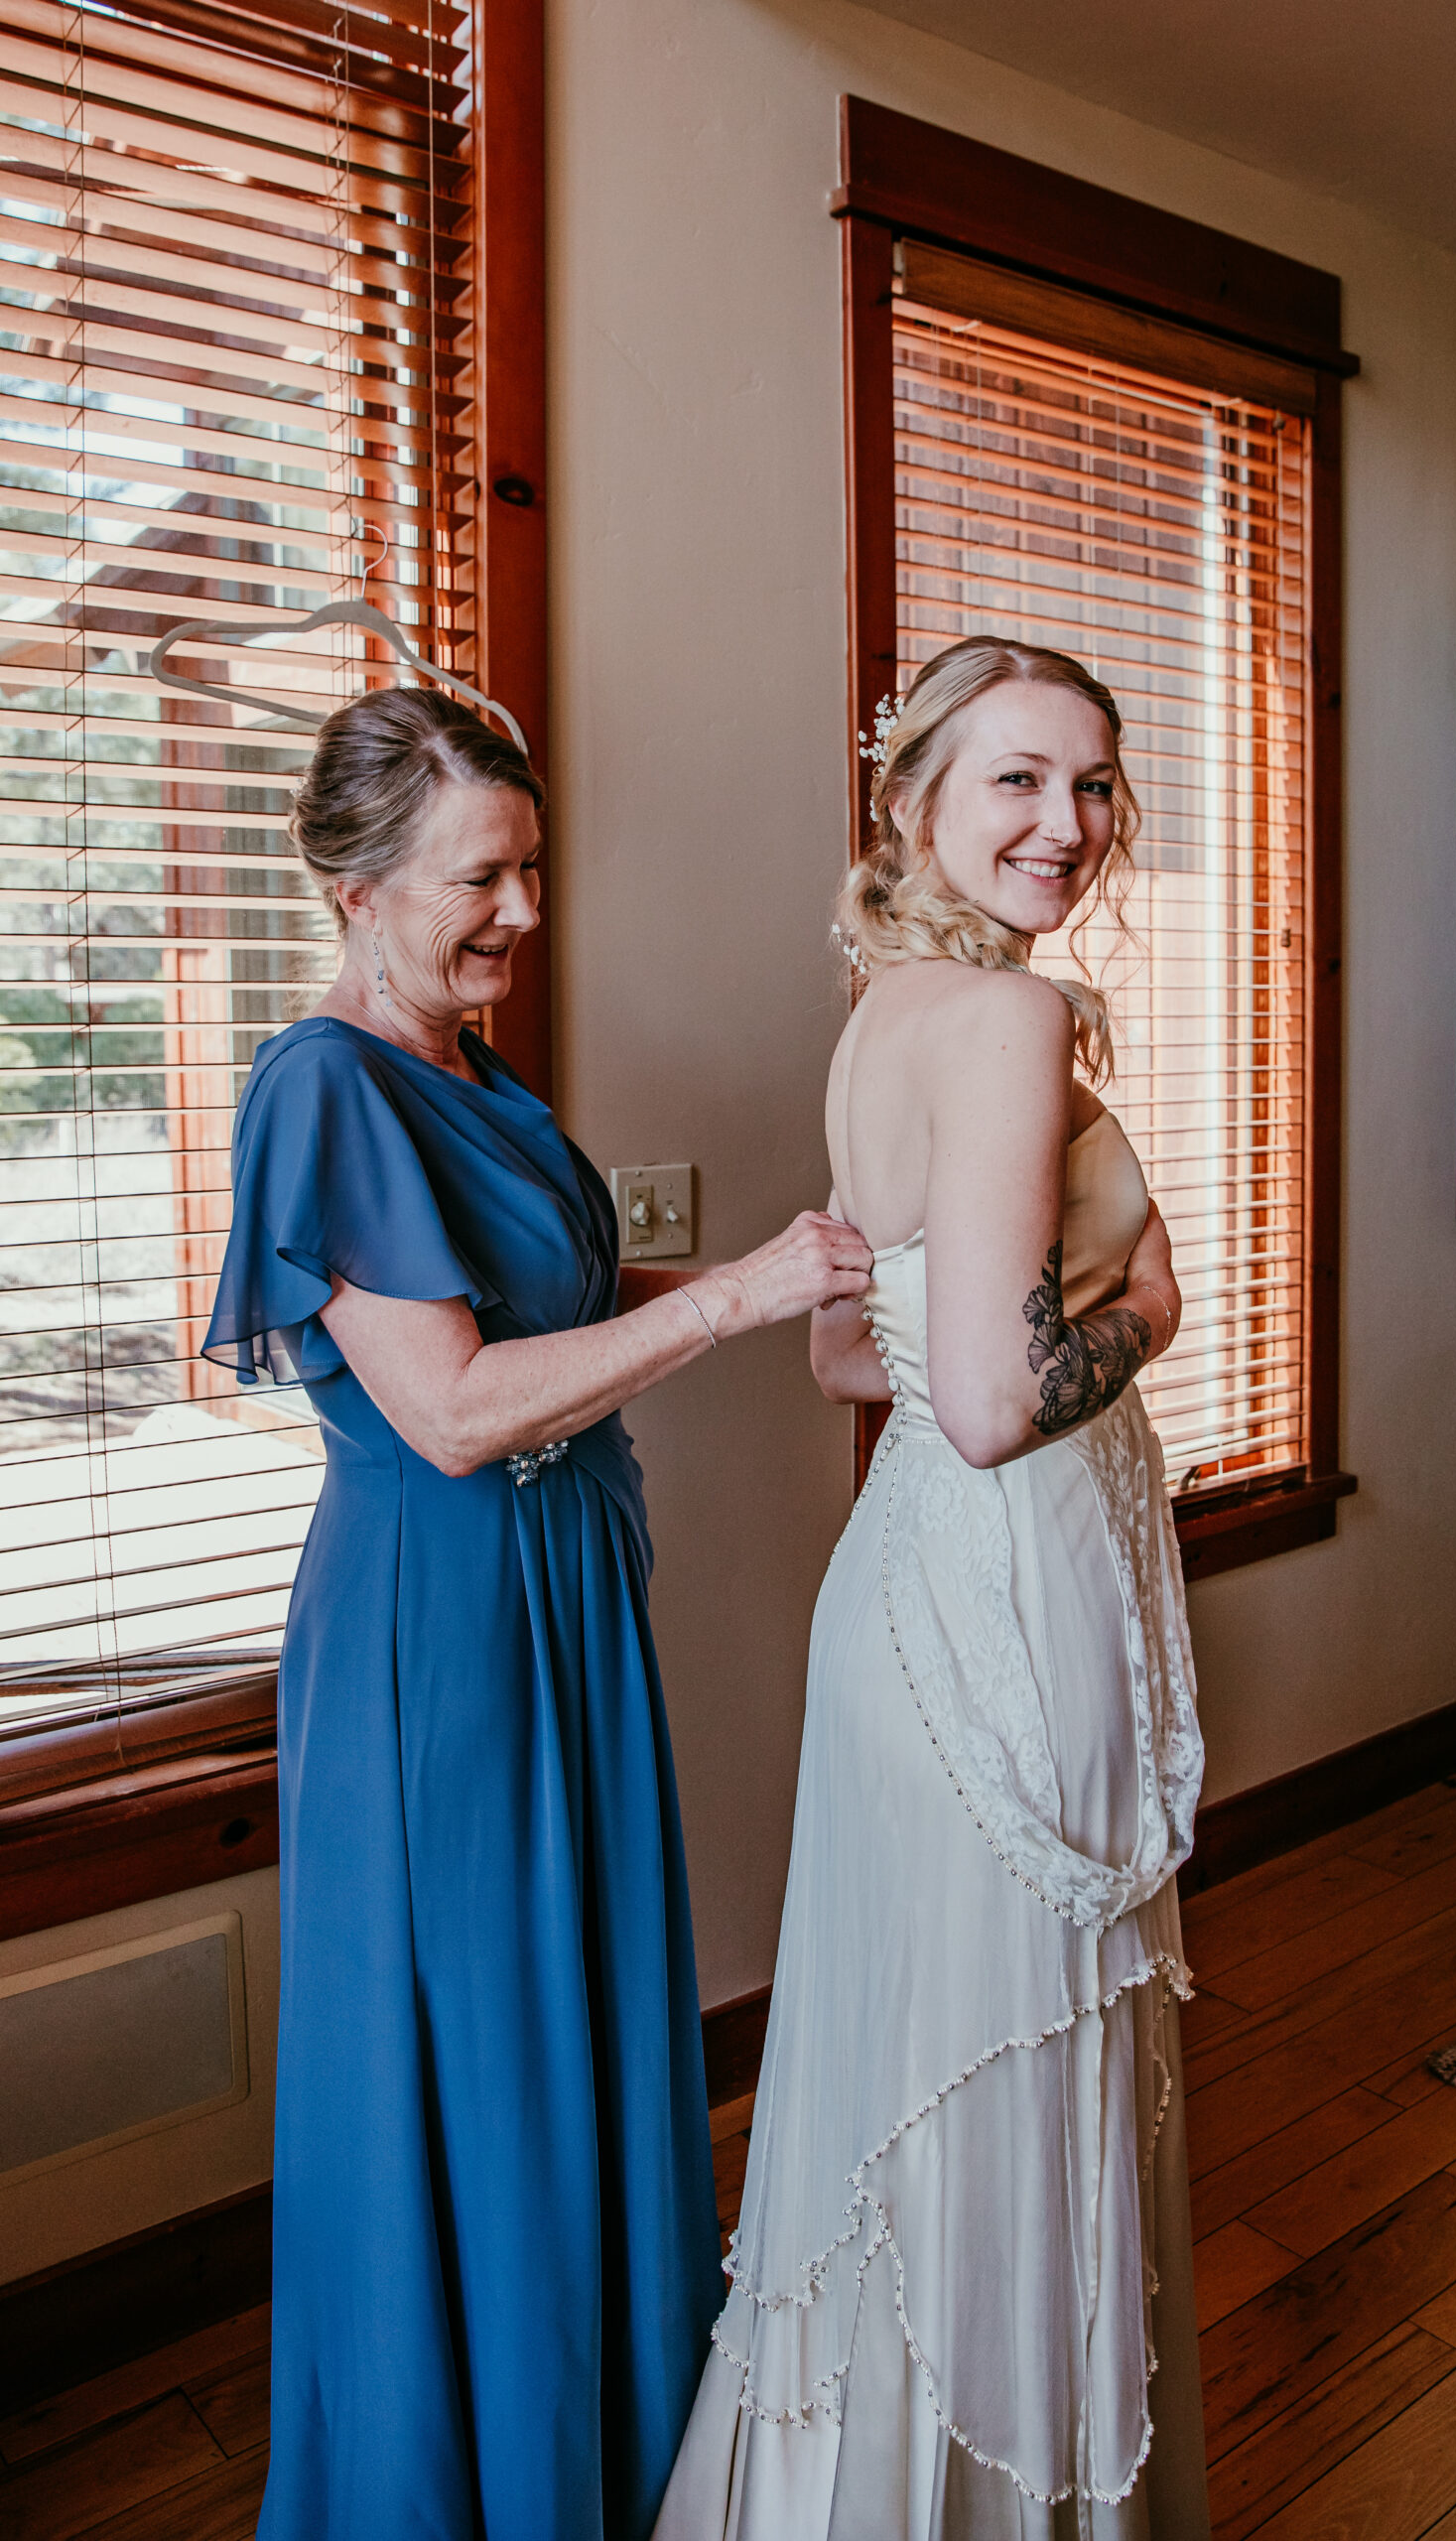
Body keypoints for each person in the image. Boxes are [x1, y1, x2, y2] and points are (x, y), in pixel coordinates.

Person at [201, 688, 872, 2541]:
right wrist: (734, 1298)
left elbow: (542, 1302)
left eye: (532, 868)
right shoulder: (322, 1087)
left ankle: (592, 2440)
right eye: (477, 878)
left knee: (575, 2008)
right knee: (479, 2043)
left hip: (561, 1590)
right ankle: (462, 2480)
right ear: (354, 887)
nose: (521, 910)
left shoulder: (475, 1073)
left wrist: (804, 1269)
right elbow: (447, 1407)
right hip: (442, 1623)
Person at [658, 638, 1210, 2538]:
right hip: (1002, 1607)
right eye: (1017, 780)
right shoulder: (1006, 1019)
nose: (1069, 823)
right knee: (1009, 2061)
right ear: (914, 801)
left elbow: (852, 1355)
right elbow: (984, 1405)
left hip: (903, 1594)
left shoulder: (884, 1013)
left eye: (1094, 783)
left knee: (915, 2079)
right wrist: (1150, 1311)